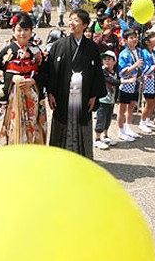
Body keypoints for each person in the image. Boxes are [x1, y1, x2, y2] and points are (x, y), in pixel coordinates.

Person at [47, 9, 106, 158]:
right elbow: (51, 71)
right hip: (62, 94)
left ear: (85, 25)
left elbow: (96, 73)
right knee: (61, 123)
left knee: (82, 124)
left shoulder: (92, 47)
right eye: (70, 19)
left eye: (76, 20)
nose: (71, 23)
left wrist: (94, 95)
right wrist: (50, 92)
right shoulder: (59, 45)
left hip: (83, 94)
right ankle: (59, 156)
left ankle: (82, 157)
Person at [0, 13, 47, 145]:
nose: (22, 33)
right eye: (19, 30)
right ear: (13, 31)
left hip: (32, 93)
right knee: (14, 126)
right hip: (13, 94)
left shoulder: (36, 50)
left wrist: (33, 81)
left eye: (26, 30)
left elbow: (45, 71)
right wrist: (12, 78)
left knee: (33, 125)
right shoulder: (7, 50)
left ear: (31, 31)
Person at [116, 28, 144, 141]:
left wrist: (142, 81)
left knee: (132, 106)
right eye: (131, 38)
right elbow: (123, 72)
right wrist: (135, 65)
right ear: (125, 40)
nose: (134, 39)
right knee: (122, 108)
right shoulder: (124, 54)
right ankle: (120, 130)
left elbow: (142, 69)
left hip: (136, 82)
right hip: (126, 83)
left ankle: (128, 127)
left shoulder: (139, 51)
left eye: (135, 37)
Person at [139, 30, 155, 132]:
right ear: (147, 41)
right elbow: (145, 69)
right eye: (153, 38)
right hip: (148, 79)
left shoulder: (154, 53)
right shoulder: (144, 53)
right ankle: (142, 122)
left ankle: (148, 119)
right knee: (149, 102)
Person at [94, 50, 120, 149]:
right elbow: (112, 81)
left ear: (114, 61)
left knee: (108, 119)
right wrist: (125, 81)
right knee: (101, 119)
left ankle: (105, 136)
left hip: (111, 100)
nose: (107, 61)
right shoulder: (102, 71)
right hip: (102, 100)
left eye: (109, 59)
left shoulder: (114, 72)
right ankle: (97, 139)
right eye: (105, 59)